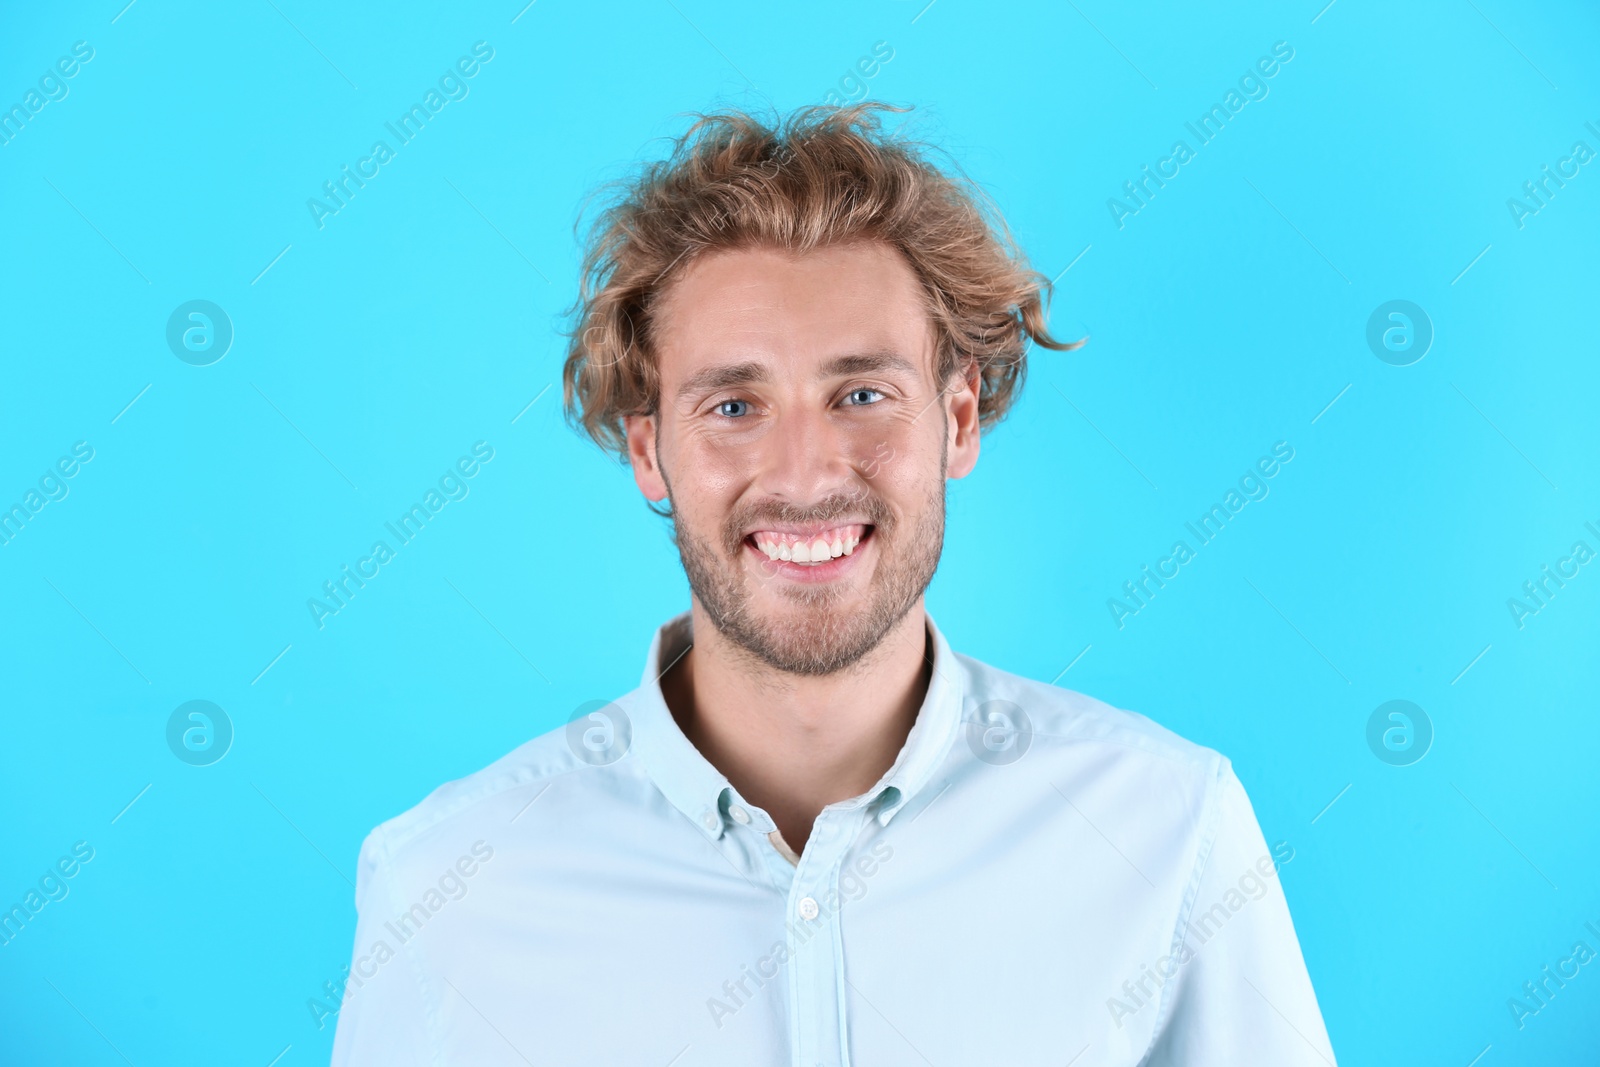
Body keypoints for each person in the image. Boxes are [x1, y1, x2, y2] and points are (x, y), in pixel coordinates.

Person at [330, 103, 1337, 1066]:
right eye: (733, 404)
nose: (807, 475)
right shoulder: (444, 887)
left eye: (862, 394)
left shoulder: (1166, 829)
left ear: (958, 420)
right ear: (649, 450)